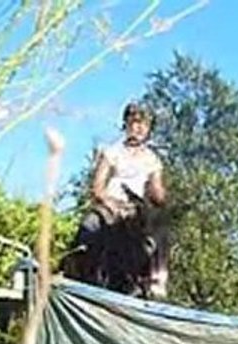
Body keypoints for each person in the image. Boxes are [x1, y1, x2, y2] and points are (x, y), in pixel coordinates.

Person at [66, 102, 169, 296]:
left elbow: (157, 188)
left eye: (144, 125)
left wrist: (162, 198)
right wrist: (109, 202)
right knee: (90, 225)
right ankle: (77, 267)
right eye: (135, 122)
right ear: (126, 124)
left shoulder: (152, 159)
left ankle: (154, 280)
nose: (139, 128)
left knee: (160, 232)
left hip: (136, 207)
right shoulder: (112, 152)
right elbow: (97, 187)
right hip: (110, 203)